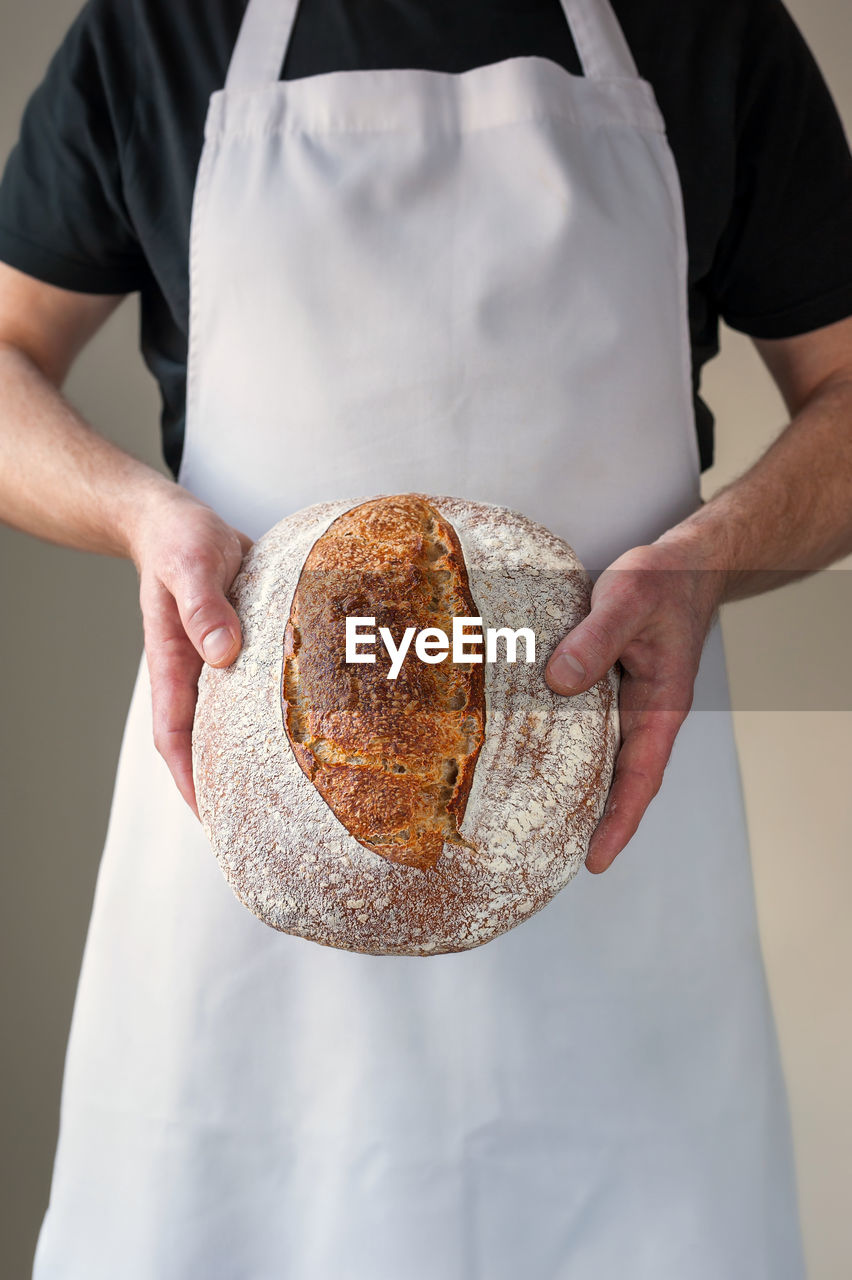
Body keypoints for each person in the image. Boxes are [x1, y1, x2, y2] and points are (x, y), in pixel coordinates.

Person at [1, 0, 851, 1275]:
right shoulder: (161, 25)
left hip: (618, 876)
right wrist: (137, 515)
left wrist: (702, 563)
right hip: (239, 907)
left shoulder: (708, 25)